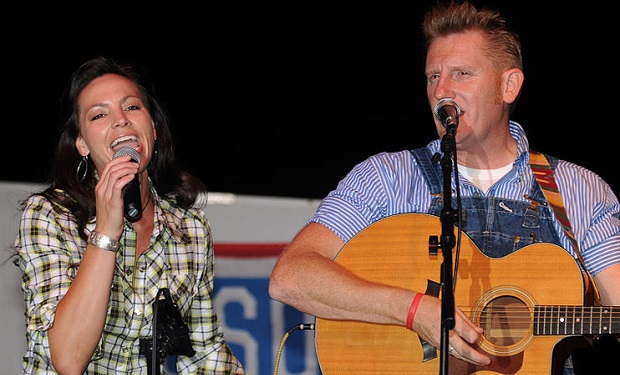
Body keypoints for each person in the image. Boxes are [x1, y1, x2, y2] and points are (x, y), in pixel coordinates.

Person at [269, 1, 620, 374]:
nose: (442, 90)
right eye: (432, 76)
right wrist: (413, 310)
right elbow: (291, 277)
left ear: (509, 85)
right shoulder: (387, 178)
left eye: (462, 73)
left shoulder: (578, 189)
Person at [13, 56, 245, 374]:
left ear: (152, 128)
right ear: (81, 143)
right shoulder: (50, 215)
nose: (121, 120)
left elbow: (204, 351)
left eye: (132, 107)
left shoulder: (189, 229)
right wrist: (106, 232)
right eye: (99, 114)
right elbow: (68, 360)